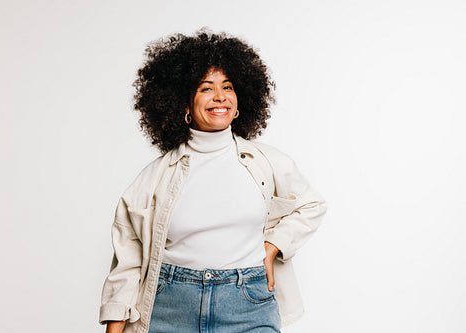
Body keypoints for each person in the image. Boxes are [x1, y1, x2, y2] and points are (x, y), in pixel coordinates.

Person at [99, 30, 327, 333]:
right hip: (170, 306)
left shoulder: (267, 162)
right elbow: (128, 261)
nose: (220, 96)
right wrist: (115, 327)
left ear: (240, 98)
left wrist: (273, 246)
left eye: (228, 87)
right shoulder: (154, 177)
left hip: (248, 303)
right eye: (206, 88)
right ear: (183, 103)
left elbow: (311, 204)